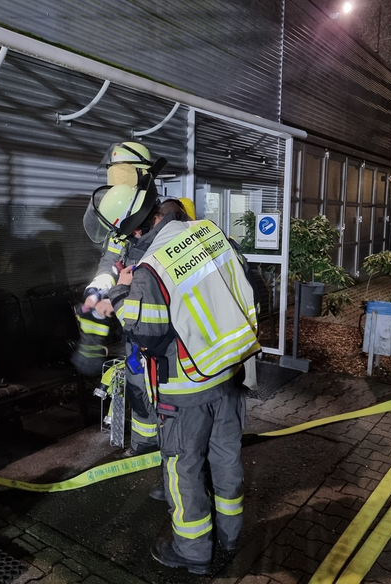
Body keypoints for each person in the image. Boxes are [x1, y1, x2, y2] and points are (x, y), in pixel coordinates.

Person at [85, 180, 260, 574]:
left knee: (183, 470)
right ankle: (229, 537)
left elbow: (145, 331)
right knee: (227, 457)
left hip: (186, 385)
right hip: (231, 370)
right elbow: (246, 282)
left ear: (134, 231)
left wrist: (120, 292)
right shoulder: (209, 232)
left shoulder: (150, 268)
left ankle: (194, 552)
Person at [76, 142, 192, 459]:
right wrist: (99, 290)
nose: (117, 180)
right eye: (114, 174)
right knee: (139, 387)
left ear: (143, 176)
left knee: (169, 397)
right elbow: (109, 262)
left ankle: (177, 458)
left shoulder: (169, 218)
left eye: (122, 173)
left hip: (168, 333)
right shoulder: (121, 219)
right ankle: (145, 447)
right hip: (135, 324)